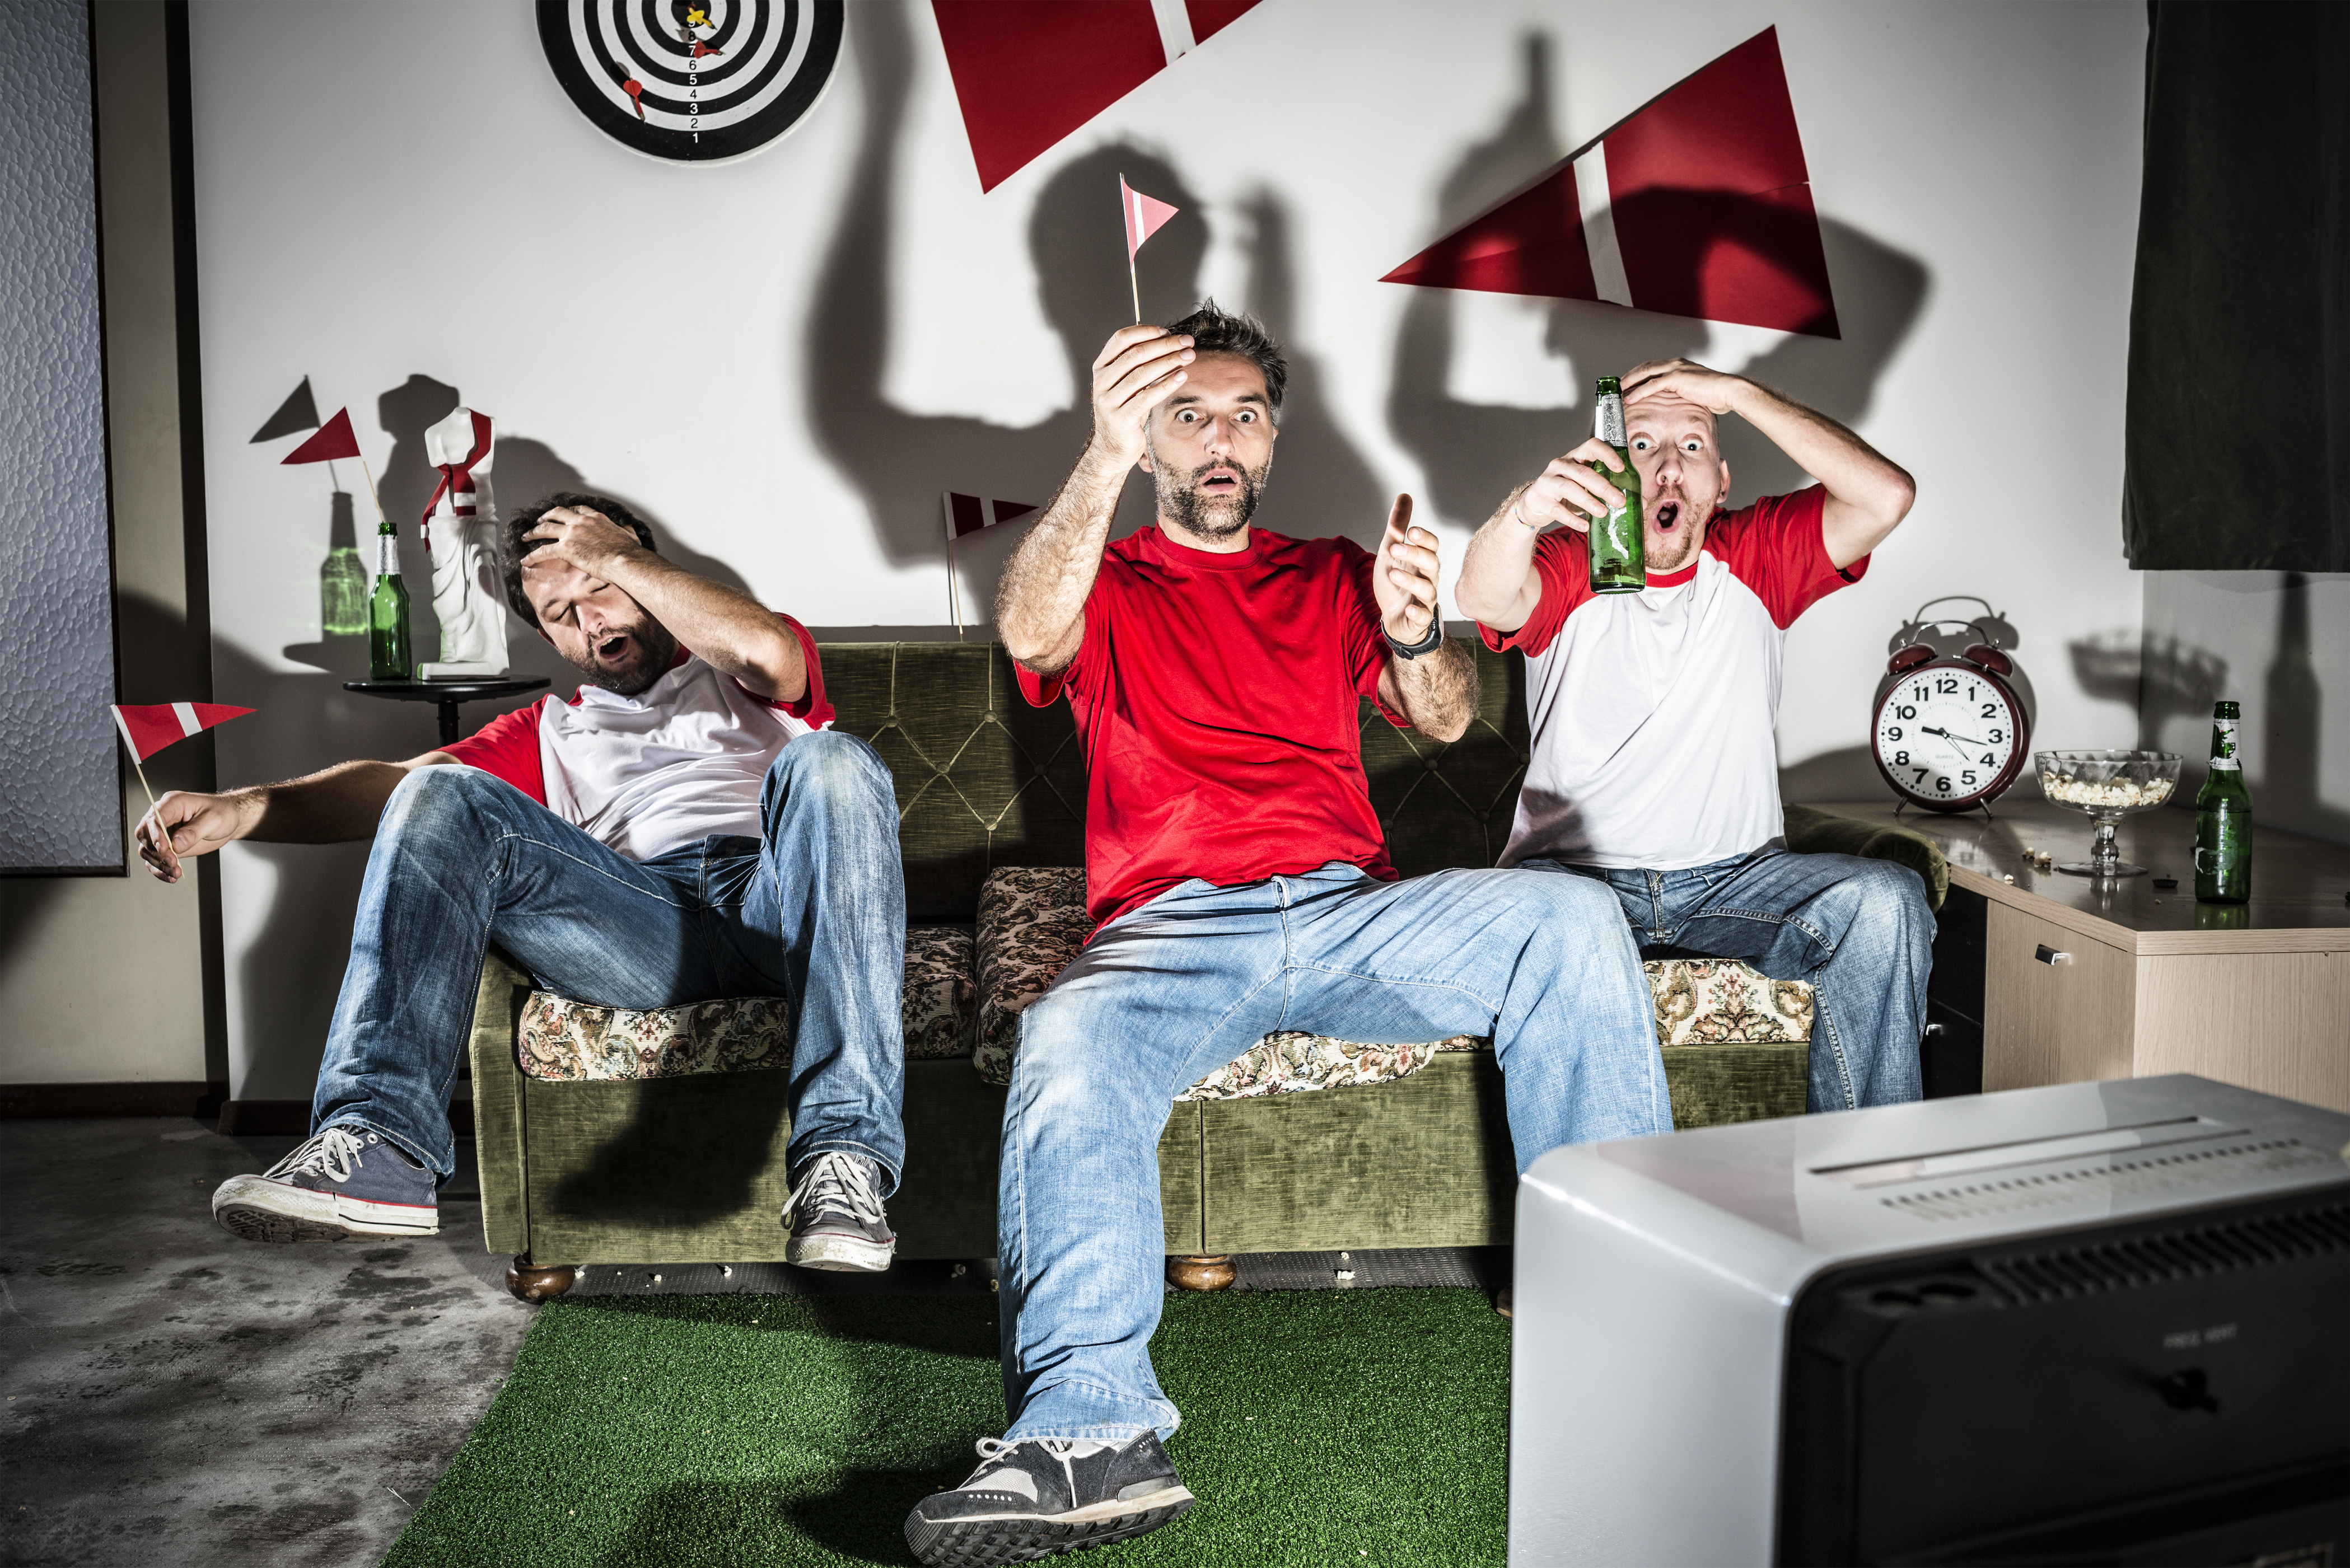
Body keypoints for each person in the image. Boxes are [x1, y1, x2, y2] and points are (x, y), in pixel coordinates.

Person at [900, 307, 1670, 1567]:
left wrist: (1417, 630)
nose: (1219, 439)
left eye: (1244, 416)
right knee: (1067, 1039)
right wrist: (1099, 454)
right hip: (1172, 930)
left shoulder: (1325, 571)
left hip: (1349, 910)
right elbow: (1031, 632)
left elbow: (1442, 716)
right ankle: (1092, 1434)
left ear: (1270, 439)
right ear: (1151, 436)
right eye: (1187, 415)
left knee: (1570, 917)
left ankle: (1638, 1320)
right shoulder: (1106, 578)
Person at [138, 493, 907, 1271]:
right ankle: (381, 1143)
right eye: (561, 614)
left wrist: (615, 553)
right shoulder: (548, 731)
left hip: (781, 900)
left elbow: (769, 654)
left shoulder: (738, 665)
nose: (592, 622)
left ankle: (843, 1168)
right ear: (545, 636)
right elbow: (393, 789)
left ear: (643, 570)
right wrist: (245, 809)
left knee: (832, 759)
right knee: (438, 791)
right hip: (640, 929)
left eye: (602, 589)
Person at [1452, 358, 1931, 1114]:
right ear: (1608, 473)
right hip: (1578, 885)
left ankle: (1866, 1172)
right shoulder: (1572, 560)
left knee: (1887, 900)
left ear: (1721, 482)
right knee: (1558, 926)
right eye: (1642, 445)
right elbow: (1482, 594)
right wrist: (1526, 512)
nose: (1668, 466)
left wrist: (1736, 393)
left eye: (1693, 445)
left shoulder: (1759, 556)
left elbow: (1887, 495)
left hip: (1735, 882)